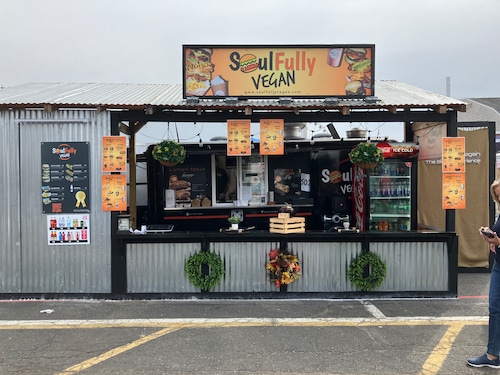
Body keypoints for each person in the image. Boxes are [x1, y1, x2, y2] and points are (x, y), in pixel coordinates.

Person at [467, 178, 500, 368]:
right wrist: (490, 237)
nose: (499, 197)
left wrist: (497, 242)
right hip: (498, 265)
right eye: (497, 195)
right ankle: (492, 355)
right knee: (495, 310)